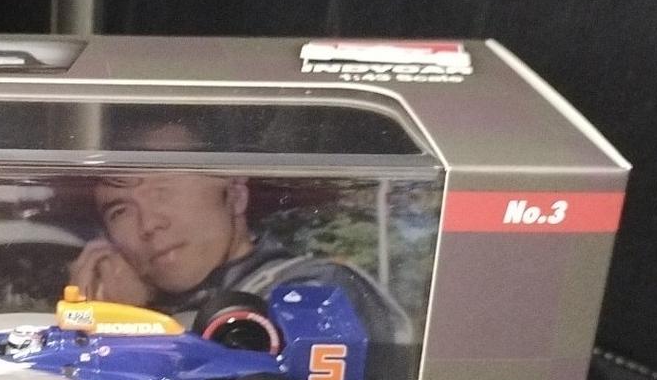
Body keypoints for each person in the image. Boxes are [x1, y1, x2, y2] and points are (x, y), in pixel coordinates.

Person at [67, 121, 411, 344]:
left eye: (164, 190)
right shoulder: (142, 303)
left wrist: (131, 326)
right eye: (120, 211)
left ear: (235, 194)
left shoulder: (315, 289)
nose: (148, 224)